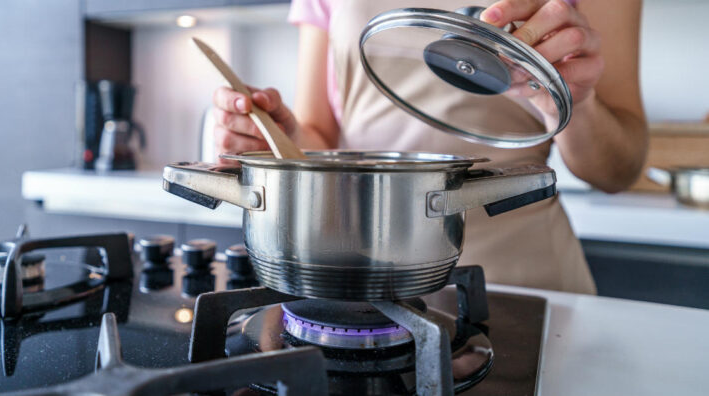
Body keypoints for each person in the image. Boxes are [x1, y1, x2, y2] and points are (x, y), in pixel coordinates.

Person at [210, 0, 647, 294]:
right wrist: (273, 134)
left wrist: (575, 101)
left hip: (526, 275)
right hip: (365, 276)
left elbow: (617, 171)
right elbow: (317, 140)